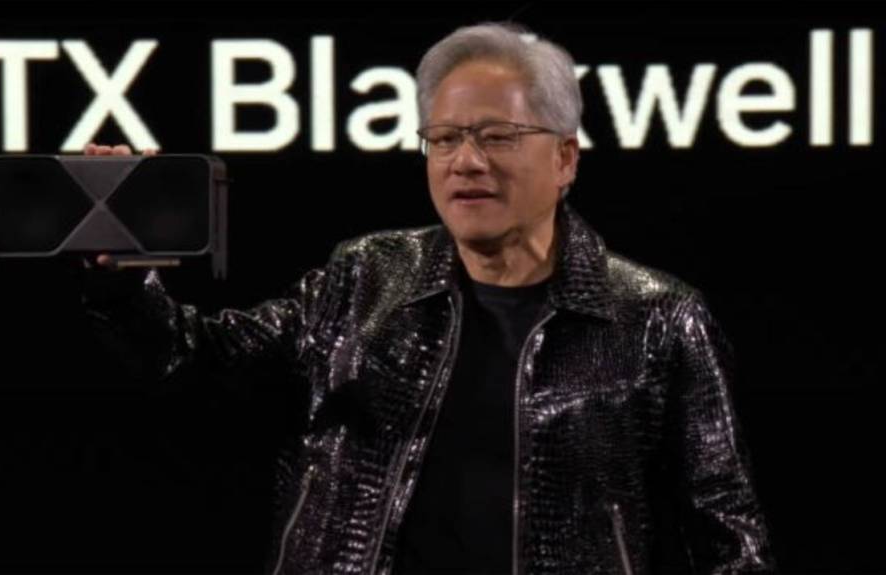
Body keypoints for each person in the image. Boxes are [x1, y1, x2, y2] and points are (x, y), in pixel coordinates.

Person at [84, 21, 774, 575]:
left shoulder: (658, 319)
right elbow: (193, 358)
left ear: (565, 158)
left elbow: (729, 536)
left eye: (497, 137)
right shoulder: (365, 277)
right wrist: (121, 281)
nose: (465, 161)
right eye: (444, 139)